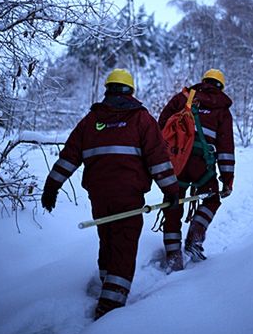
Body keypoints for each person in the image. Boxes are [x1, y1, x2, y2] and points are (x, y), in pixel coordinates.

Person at [41, 68, 179, 320]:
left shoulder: (90, 121)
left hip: (99, 196)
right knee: (124, 243)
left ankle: (106, 281)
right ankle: (110, 305)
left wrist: (52, 186)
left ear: (107, 90)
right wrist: (171, 191)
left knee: (107, 237)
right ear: (131, 92)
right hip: (128, 195)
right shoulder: (141, 119)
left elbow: (69, 156)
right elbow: (158, 161)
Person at [158, 69, 235, 271]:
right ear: (221, 85)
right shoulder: (222, 110)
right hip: (203, 166)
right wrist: (227, 180)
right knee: (212, 199)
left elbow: (161, 129)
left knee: (173, 203)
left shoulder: (183, 98)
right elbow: (226, 149)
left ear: (202, 82)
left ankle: (174, 255)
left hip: (177, 162)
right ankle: (195, 238)